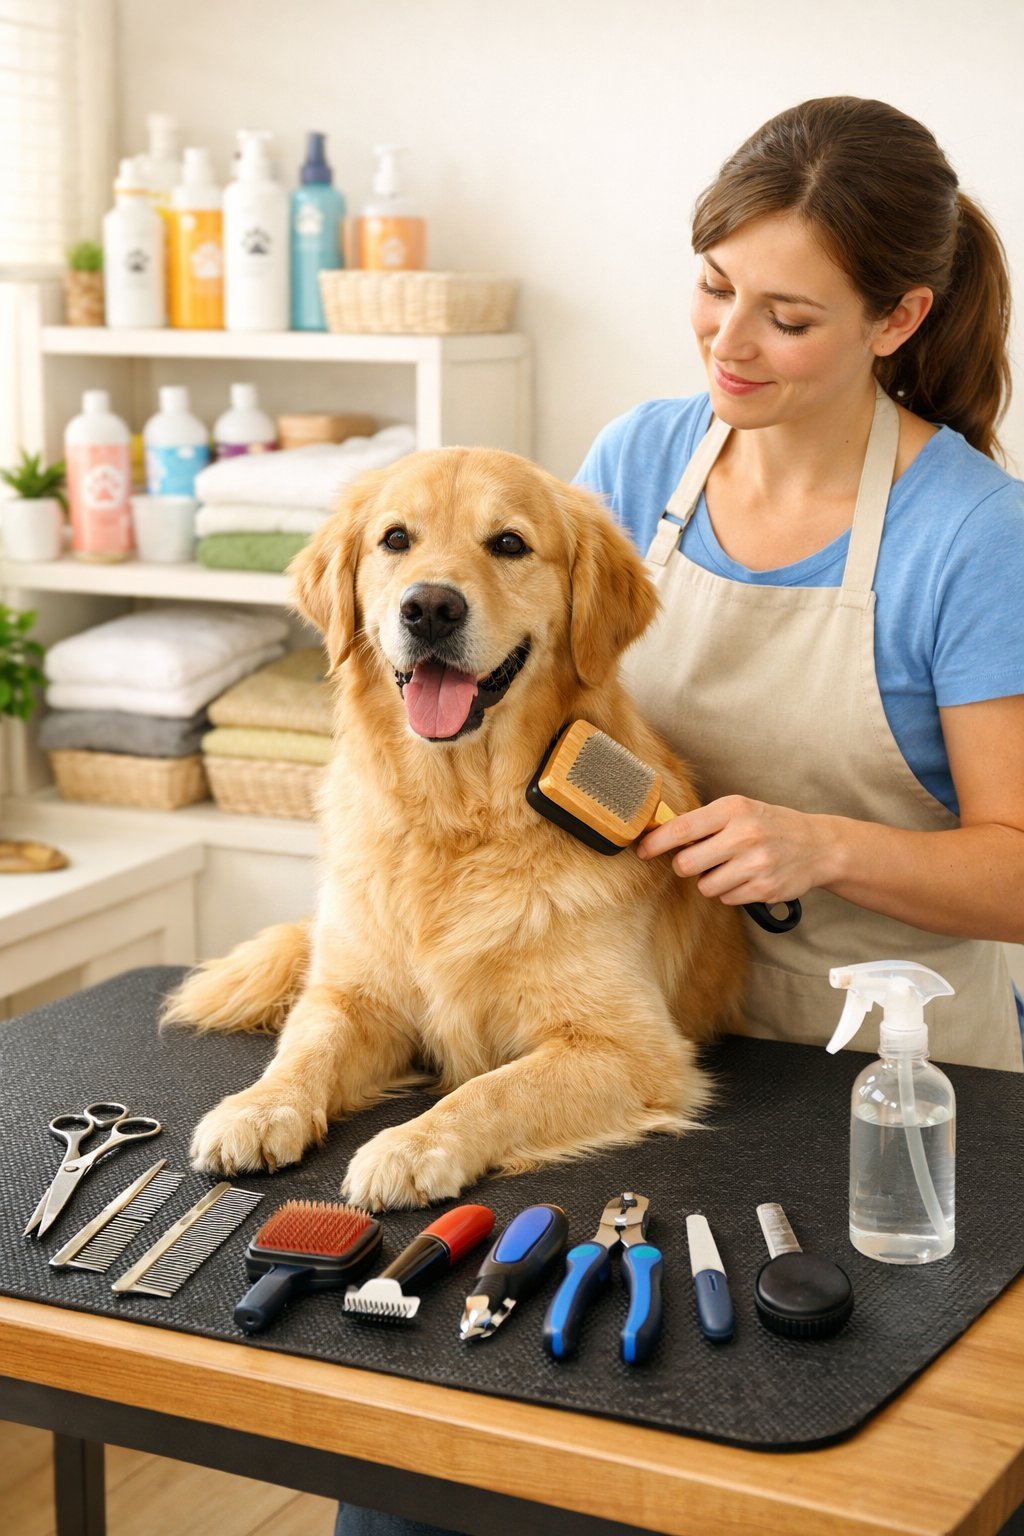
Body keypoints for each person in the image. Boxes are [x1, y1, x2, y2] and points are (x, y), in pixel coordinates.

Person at [334, 92, 1024, 1536]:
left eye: (787, 316)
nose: (728, 342)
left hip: (872, 1076)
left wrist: (817, 842)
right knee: (425, 1468)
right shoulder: (642, 464)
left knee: (843, 1462)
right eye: (714, 289)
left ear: (897, 320)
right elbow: (538, 697)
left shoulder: (972, 533)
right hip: (635, 1019)